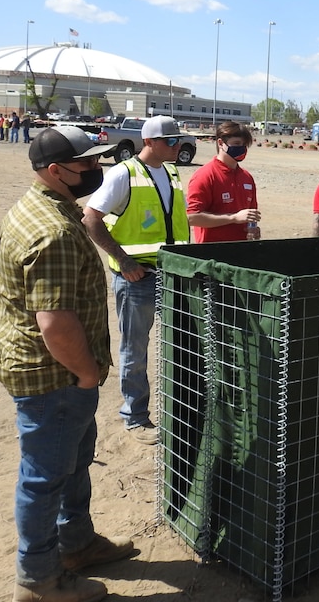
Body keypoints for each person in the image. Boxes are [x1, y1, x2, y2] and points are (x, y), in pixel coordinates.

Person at [0, 125, 136, 602]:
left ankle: (75, 545)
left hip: (59, 375)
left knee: (71, 463)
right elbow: (55, 322)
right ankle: (38, 581)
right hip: (54, 377)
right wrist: (87, 374)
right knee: (45, 476)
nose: (97, 170)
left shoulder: (48, 208)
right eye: (88, 165)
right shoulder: (51, 230)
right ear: (55, 171)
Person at [82, 115, 190, 445]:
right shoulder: (124, 173)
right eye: (171, 141)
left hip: (172, 275)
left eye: (179, 141)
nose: (177, 147)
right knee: (135, 348)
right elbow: (91, 218)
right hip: (137, 278)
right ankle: (135, 416)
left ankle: (179, 413)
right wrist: (124, 260)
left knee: (179, 346)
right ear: (150, 142)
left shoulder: (172, 173)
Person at [186, 121, 262, 243]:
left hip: (242, 251)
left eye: (244, 145)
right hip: (213, 253)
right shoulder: (205, 175)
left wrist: (253, 230)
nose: (241, 148)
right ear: (221, 143)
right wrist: (233, 218)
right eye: (237, 144)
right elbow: (192, 217)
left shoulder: (247, 177)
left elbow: (250, 216)